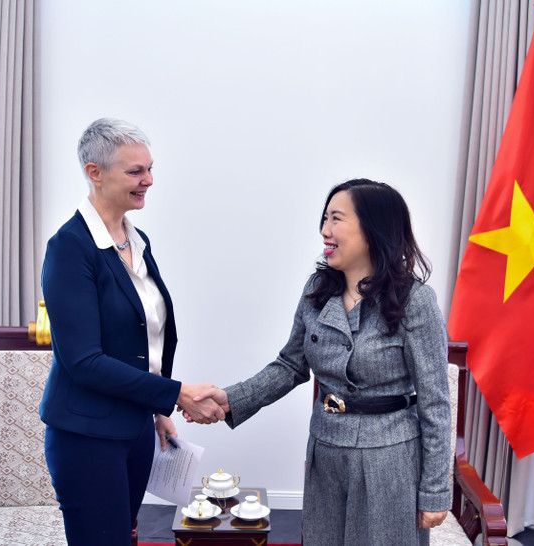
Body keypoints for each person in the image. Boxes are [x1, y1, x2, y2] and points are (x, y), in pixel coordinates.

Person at [192, 179, 451, 545]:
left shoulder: (415, 301)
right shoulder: (318, 289)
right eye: (324, 219)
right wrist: (230, 399)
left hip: (389, 460)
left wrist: (435, 491)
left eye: (337, 219)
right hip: (326, 452)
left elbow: (435, 402)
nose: (325, 231)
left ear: (374, 229)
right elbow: (290, 365)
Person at [39, 118, 224, 545]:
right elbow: (84, 361)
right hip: (86, 438)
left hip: (136, 428)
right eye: (135, 172)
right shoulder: (69, 248)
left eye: (150, 169)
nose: (149, 181)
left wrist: (157, 410)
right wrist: (175, 394)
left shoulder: (136, 240)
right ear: (95, 173)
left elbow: (147, 338)